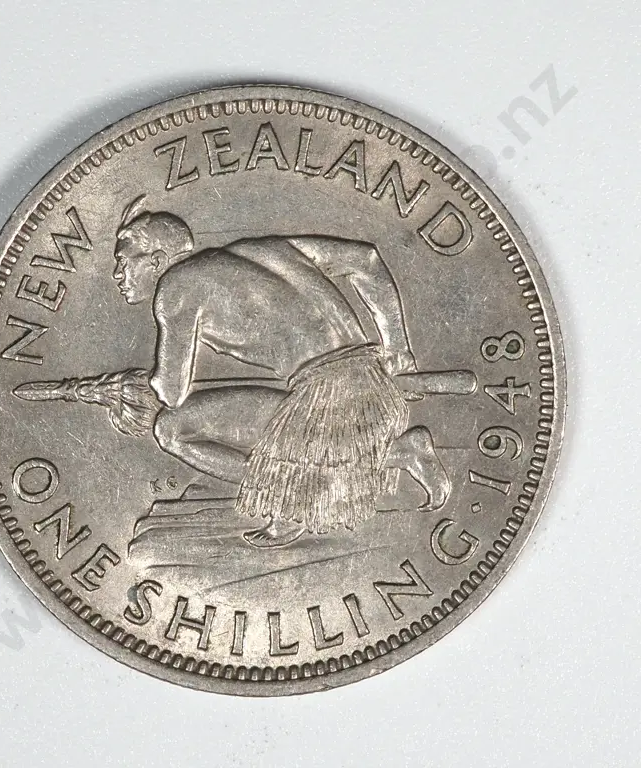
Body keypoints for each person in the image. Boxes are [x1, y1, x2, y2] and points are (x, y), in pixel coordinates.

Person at [113, 196, 449, 547]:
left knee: (171, 429)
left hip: (327, 399)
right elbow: (365, 260)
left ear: (156, 261)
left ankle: (288, 503)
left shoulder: (175, 288)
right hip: (374, 390)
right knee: (305, 427)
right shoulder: (263, 250)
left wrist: (140, 385)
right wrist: (398, 349)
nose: (117, 274)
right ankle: (401, 452)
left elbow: (171, 392)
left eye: (124, 261)